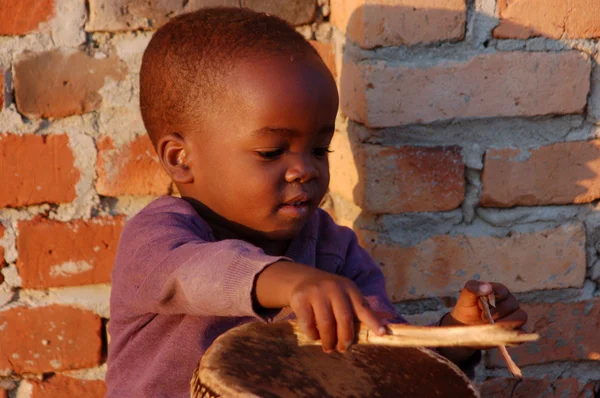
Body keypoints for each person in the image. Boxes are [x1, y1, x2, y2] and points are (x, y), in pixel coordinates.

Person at [105, 7, 527, 397]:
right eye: (272, 152)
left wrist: (458, 338)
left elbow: (385, 362)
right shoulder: (157, 239)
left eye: (319, 149)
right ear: (181, 159)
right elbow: (197, 274)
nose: (303, 169)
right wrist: (292, 281)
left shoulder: (334, 251)